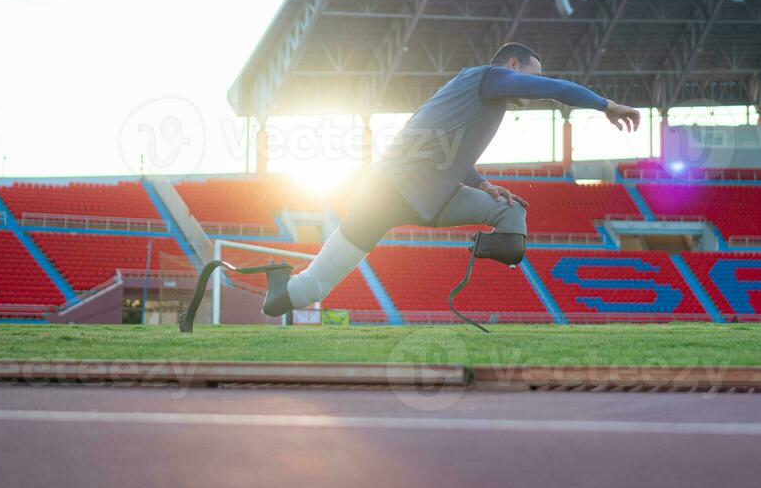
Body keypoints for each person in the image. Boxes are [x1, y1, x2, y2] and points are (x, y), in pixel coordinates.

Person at [261, 42, 643, 317]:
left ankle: (480, 246)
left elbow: (442, 149)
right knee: (314, 287)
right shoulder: (490, 78)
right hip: (387, 189)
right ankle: (280, 286)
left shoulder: (474, 98)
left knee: (510, 213)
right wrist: (606, 105)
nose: (536, 83)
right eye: (533, 73)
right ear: (512, 64)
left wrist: (480, 184)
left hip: (429, 192)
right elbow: (553, 89)